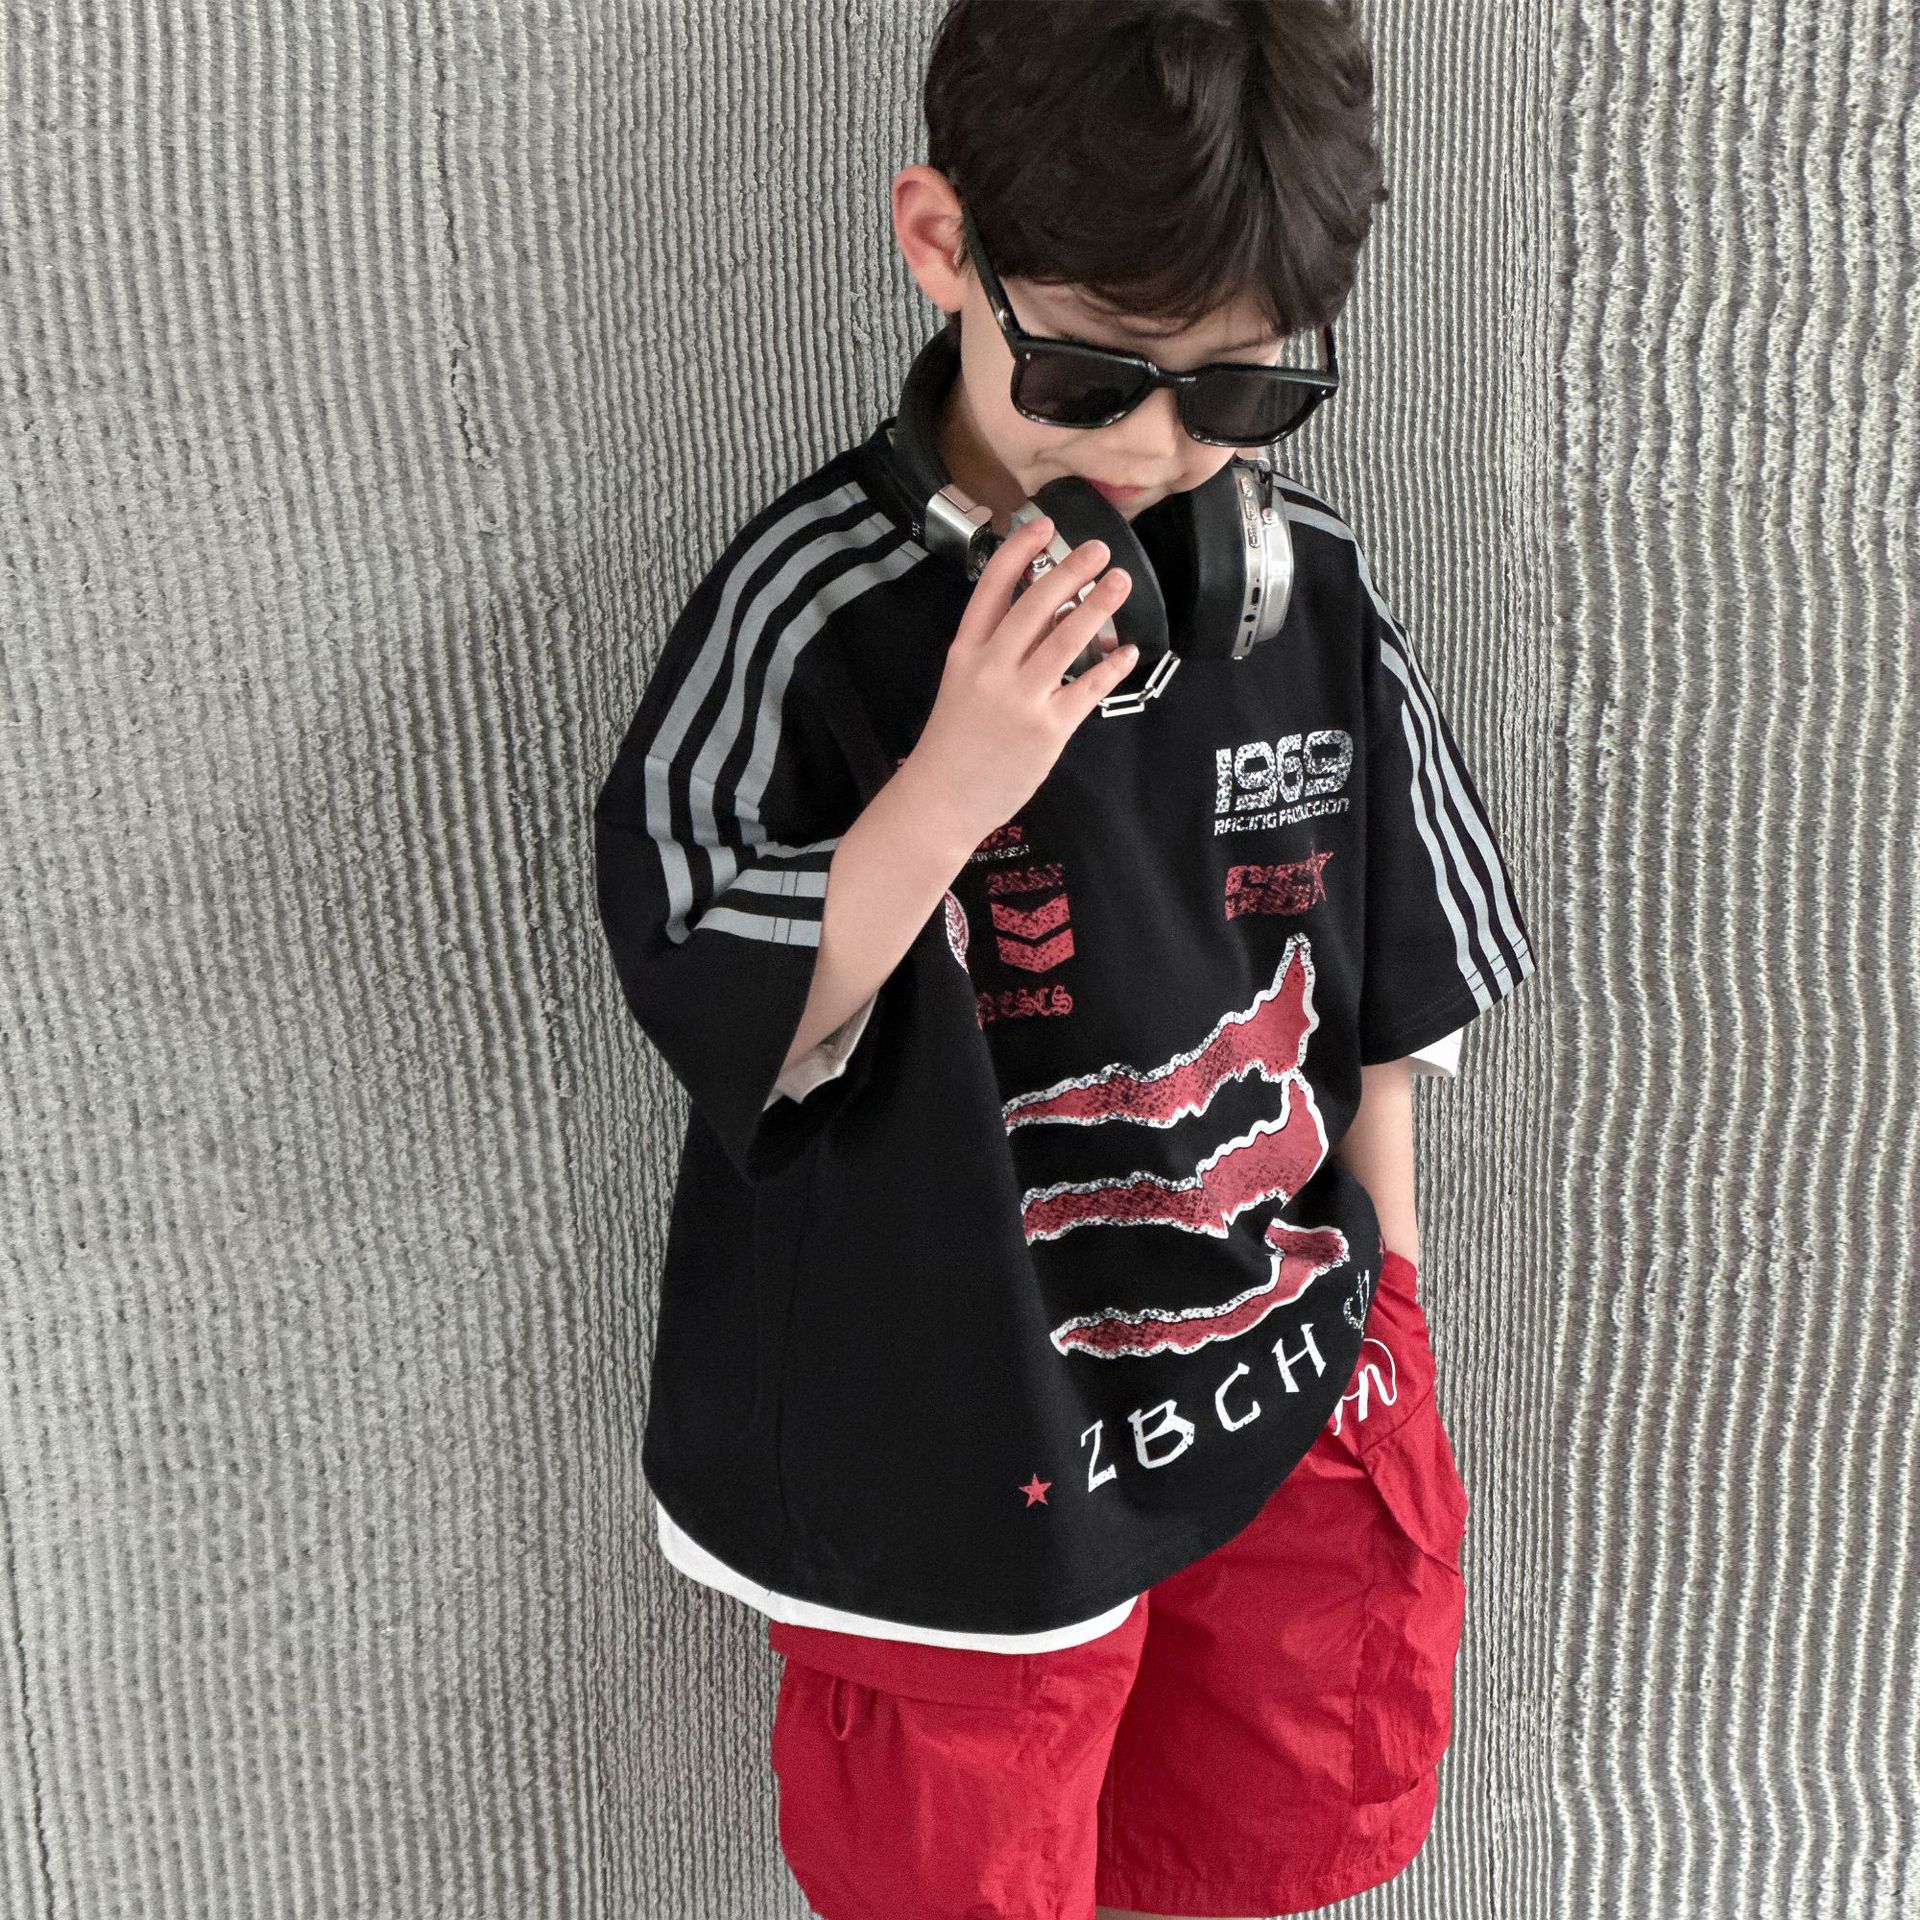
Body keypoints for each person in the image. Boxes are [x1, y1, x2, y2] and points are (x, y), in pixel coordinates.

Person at [592, 2, 1539, 1914]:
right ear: (942, 244)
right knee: (973, 1863)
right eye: (1097, 379)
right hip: (962, 1439)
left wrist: (1393, 1298)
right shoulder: (813, 618)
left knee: (1269, 1826)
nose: (1166, 451)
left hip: (1283, 1368)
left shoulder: (1305, 591)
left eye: (1242, 393)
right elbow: (717, 993)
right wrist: (951, 784)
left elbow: (1390, 962)